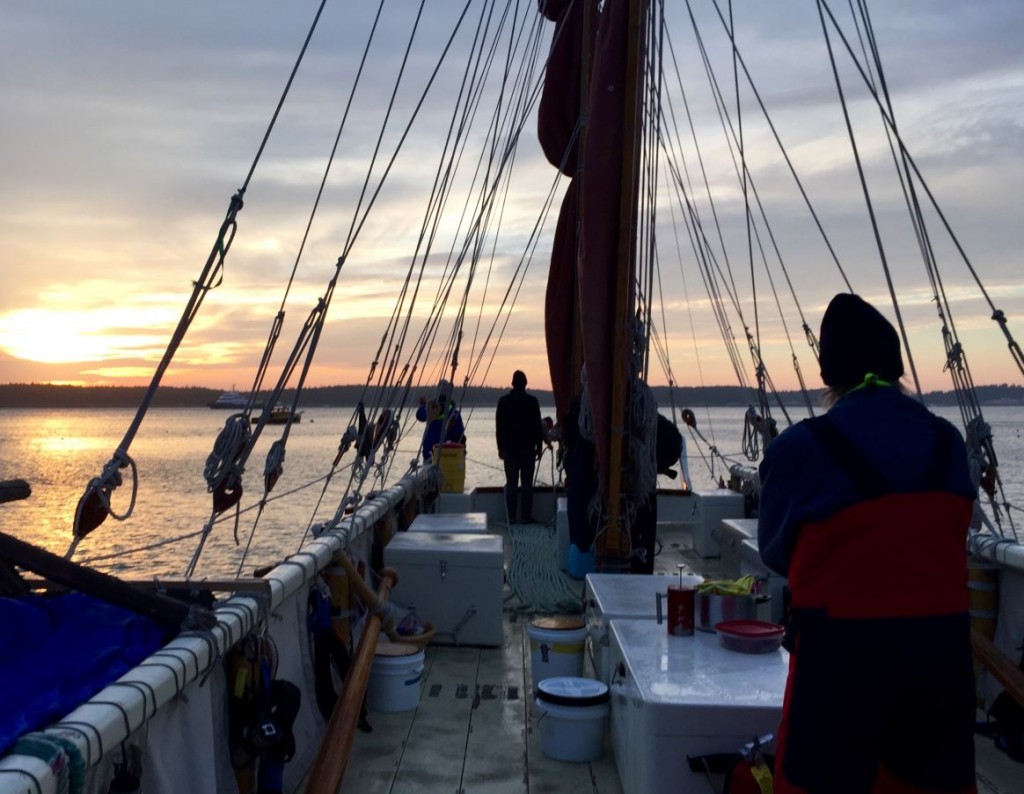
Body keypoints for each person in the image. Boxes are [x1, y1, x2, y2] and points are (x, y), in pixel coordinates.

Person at [757, 293, 977, 794]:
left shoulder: (798, 449)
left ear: (829, 375)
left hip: (841, 661)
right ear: (896, 368)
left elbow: (775, 552)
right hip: (940, 660)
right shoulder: (948, 443)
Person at [495, 370, 544, 523]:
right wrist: (539, 447)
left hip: (509, 449)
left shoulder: (503, 402)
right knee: (527, 484)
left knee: (511, 483)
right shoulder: (532, 402)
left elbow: (499, 427)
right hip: (528, 449)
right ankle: (525, 516)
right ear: (525, 384)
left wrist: (500, 447)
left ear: (512, 384)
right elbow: (537, 427)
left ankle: (511, 517)